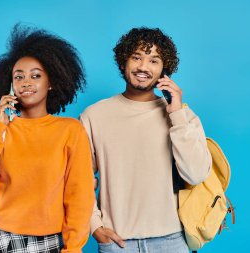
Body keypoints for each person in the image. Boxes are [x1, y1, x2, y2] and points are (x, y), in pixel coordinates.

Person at [0, 24, 94, 253]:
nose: (26, 82)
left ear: (51, 82)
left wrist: (74, 248)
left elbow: (80, 196)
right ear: (10, 85)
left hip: (47, 242)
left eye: (36, 75)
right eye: (18, 77)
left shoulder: (70, 131)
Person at [79, 27, 212, 253]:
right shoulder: (94, 116)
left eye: (154, 61)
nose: (143, 67)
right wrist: (95, 226)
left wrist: (176, 114)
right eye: (136, 57)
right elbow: (79, 177)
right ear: (123, 62)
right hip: (116, 243)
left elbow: (196, 174)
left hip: (171, 241)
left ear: (164, 70)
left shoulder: (182, 116)